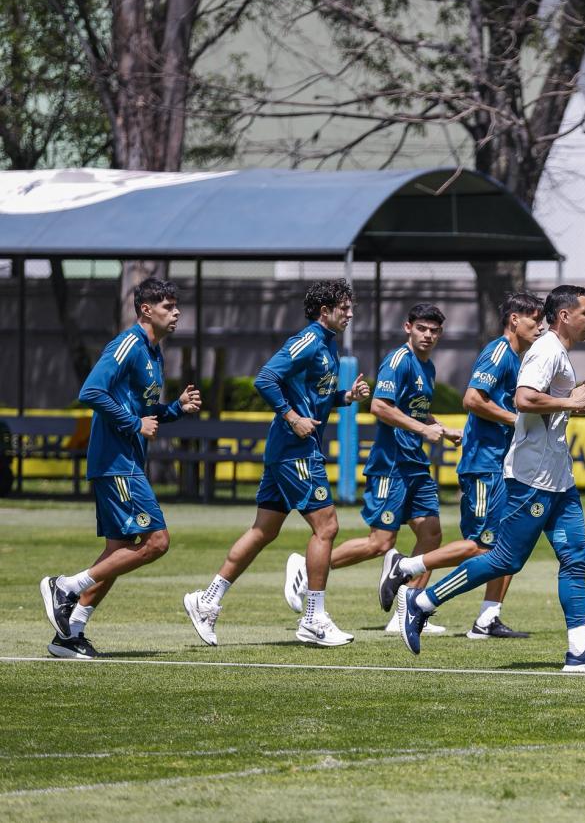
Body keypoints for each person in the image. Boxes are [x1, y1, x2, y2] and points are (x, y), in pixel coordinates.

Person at [400, 285, 585, 672]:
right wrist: (570, 401)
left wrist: (568, 403)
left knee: (576, 557)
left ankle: (579, 651)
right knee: (503, 558)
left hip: (558, 477)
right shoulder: (546, 350)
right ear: (565, 316)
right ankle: (421, 602)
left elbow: (540, 403)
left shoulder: (556, 351)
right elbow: (524, 399)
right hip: (532, 477)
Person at [183, 279, 369, 647]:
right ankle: (313, 618)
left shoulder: (328, 344)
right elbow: (265, 378)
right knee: (327, 527)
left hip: (287, 451)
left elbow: (315, 395)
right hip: (295, 451)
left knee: (263, 531)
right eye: (344, 307)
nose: (350, 313)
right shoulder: (308, 339)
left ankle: (207, 601)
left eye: (351, 307)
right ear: (324, 311)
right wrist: (291, 417)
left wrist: (347, 396)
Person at [39, 278, 201, 659]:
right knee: (157, 541)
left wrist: (176, 408)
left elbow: (144, 411)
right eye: (168, 306)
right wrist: (133, 424)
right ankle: (65, 586)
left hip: (126, 462)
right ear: (146, 310)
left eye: (176, 306)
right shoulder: (128, 344)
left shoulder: (154, 352)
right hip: (116, 463)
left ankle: (69, 635)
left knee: (119, 551)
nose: (176, 312)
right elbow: (91, 392)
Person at [281, 303, 461, 638]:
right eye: (422, 328)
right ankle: (306, 567)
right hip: (390, 466)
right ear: (408, 327)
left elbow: (416, 410)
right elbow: (379, 406)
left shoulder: (428, 366)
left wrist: (442, 428)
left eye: (434, 330)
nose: (428, 335)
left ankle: (408, 610)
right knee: (380, 543)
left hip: (415, 465)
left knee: (431, 534)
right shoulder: (398, 361)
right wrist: (423, 430)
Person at [374, 292, 545, 639]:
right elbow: (472, 399)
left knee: (510, 543)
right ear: (515, 320)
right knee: (481, 545)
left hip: (502, 464)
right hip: (483, 465)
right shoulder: (498, 353)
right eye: (534, 320)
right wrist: (517, 420)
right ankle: (406, 566)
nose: (540, 327)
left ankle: (487, 619)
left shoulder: (516, 358)